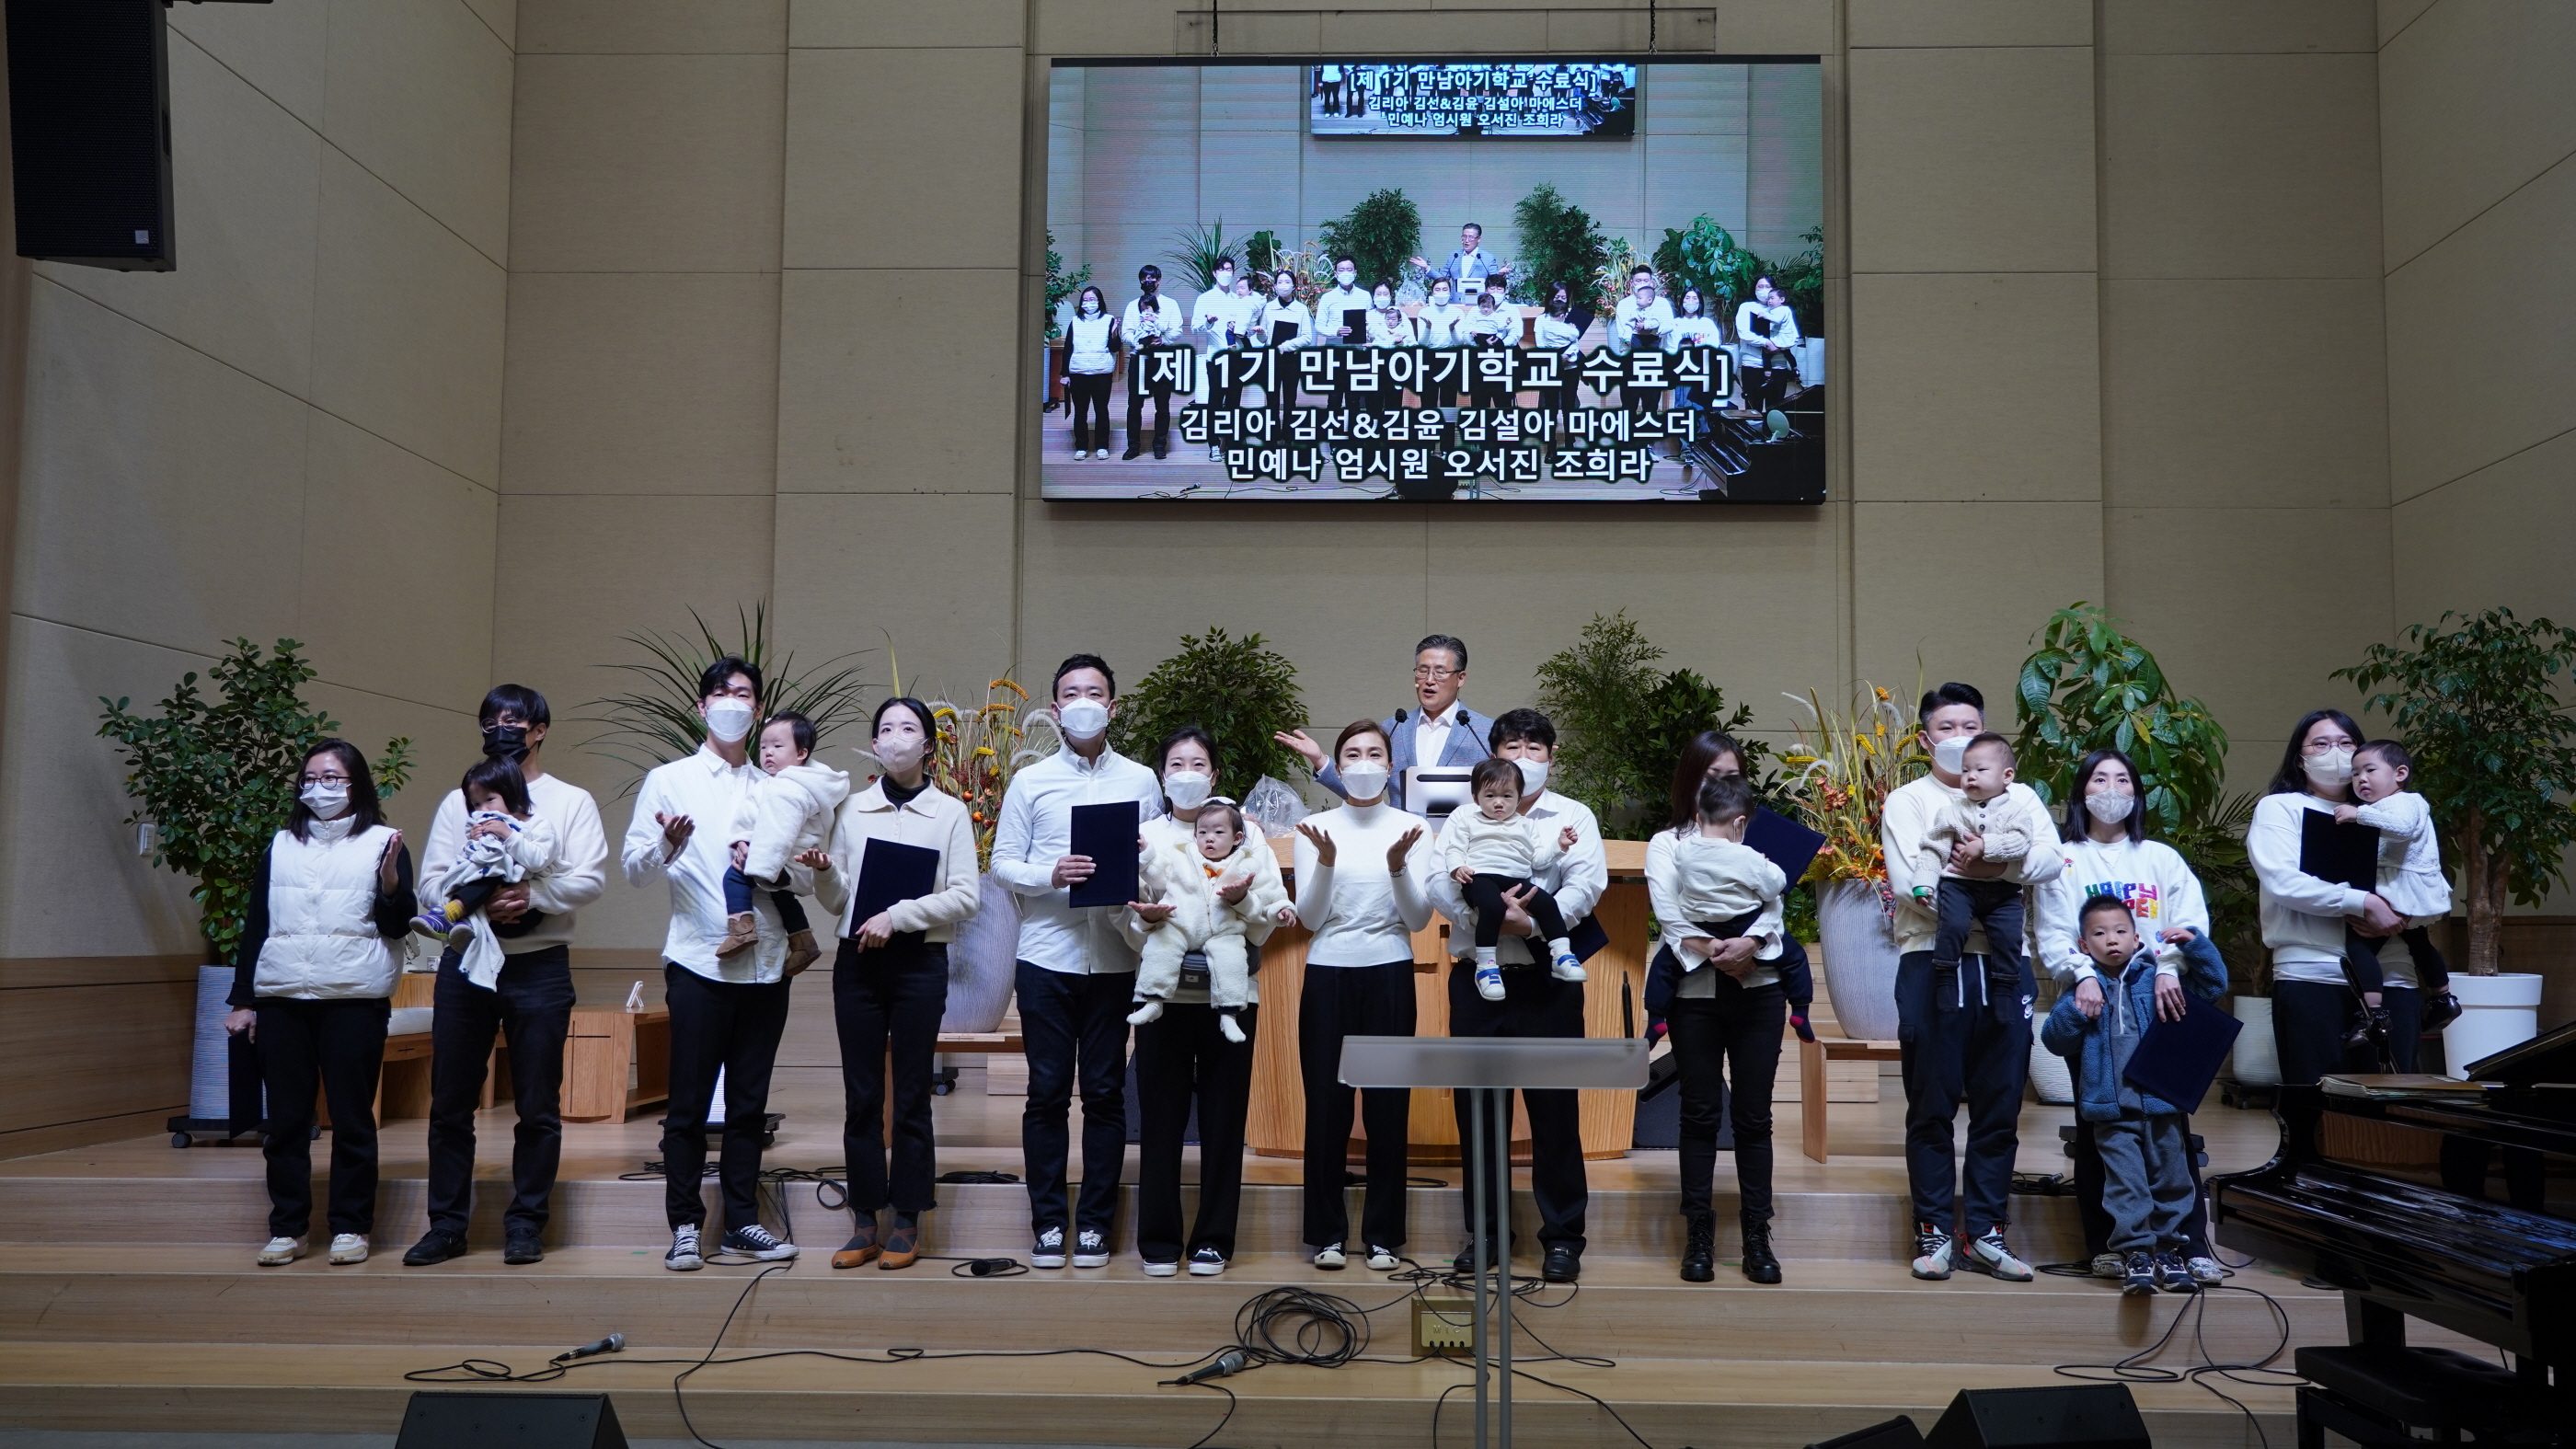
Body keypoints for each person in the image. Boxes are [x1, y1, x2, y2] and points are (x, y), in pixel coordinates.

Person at [407, 684, 608, 1269]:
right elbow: (431, 883)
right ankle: (446, 1226)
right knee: (450, 1103)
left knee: (538, 1105)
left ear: (539, 730)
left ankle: (526, 1224)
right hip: (468, 962)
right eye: (491, 719)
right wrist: (473, 903)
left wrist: (530, 896)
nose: (501, 728)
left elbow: (590, 879)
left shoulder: (570, 801)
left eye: (514, 720)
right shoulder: (460, 800)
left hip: (539, 966)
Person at [622, 657, 812, 1271]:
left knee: (749, 1105)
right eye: (722, 693)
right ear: (702, 707)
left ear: (758, 710)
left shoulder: (777, 785)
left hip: (766, 966)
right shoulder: (669, 780)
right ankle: (684, 1224)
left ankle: (742, 1223)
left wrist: (775, 867)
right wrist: (667, 844)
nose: (733, 701)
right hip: (698, 961)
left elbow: (807, 878)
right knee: (687, 1105)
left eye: (745, 694)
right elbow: (632, 870)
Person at [1880, 683, 2064, 1283]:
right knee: (1931, 1102)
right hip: (1932, 957)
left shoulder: (2021, 795)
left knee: (2000, 1102)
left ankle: (1986, 1231)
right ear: (1926, 738)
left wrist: (1988, 865)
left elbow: (2049, 860)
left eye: (1971, 727)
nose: (1960, 738)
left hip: (2006, 963)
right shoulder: (1909, 801)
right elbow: (1912, 884)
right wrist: (1991, 891)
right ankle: (1934, 1229)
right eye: (1947, 727)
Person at [990, 654, 1167, 1270]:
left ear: (1112, 707)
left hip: (1115, 958)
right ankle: (1047, 1222)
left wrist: (1144, 867)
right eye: (1071, 693)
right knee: (1045, 1093)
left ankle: (1093, 1224)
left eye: (1095, 692)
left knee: (1105, 1094)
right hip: (1046, 955)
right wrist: (1052, 873)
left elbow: (1159, 860)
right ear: (1055, 708)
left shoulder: (1141, 780)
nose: (1083, 702)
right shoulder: (1031, 781)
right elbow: (1002, 864)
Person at [2030, 747, 2224, 1286]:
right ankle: (2109, 1246)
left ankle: (2188, 1244)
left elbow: (2189, 923)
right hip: (2091, 1008)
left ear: (2137, 794)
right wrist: (2083, 976)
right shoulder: (2064, 858)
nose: (2111, 789)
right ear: (2081, 792)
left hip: (2160, 1004)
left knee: (2171, 1133)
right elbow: (2053, 932)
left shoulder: (2160, 858)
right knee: (2100, 1131)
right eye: (2099, 779)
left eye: (2122, 780)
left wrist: (2168, 967)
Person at [1428, 708, 1606, 1284]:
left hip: (1548, 980)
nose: (1523, 757)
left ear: (1551, 757)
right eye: (1512, 746)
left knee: (1555, 1111)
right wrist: (1482, 914)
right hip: (1477, 982)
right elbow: (1437, 878)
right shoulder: (1464, 815)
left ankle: (1563, 1237)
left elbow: (1586, 883)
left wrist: (1528, 924)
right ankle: (1485, 1234)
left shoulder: (1572, 816)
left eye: (1535, 748)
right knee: (1480, 1112)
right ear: (1494, 756)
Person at [225, 740, 414, 1268]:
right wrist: (244, 999)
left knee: (353, 1120)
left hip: (354, 998)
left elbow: (398, 924)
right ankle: (288, 1228)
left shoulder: (384, 842)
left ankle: (351, 1226)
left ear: (357, 785)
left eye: (331, 778)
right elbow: (257, 925)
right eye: (310, 778)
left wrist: (391, 883)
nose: (319, 788)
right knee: (285, 1122)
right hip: (283, 997)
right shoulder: (282, 843)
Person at [810, 696, 981, 1271]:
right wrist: (825, 873)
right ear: (874, 745)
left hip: (918, 963)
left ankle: (907, 1218)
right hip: (857, 960)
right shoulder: (851, 810)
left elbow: (966, 896)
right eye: (886, 729)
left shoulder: (950, 813)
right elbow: (836, 901)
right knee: (861, 1096)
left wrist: (898, 915)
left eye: (909, 728)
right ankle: (864, 1219)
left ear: (928, 745)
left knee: (911, 1094)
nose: (896, 737)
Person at [1124, 728, 1288, 1277]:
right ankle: (1158, 1239)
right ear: (1162, 775)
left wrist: (1240, 903)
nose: (1187, 773)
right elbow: (1126, 917)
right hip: (1164, 996)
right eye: (1177, 763)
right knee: (1160, 1121)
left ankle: (1215, 1238)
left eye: (1199, 764)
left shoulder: (1247, 835)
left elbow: (1265, 924)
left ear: (1214, 775)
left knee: (1223, 1121)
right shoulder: (1146, 836)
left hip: (1231, 1000)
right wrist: (1146, 921)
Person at [1646, 742, 1802, 1287]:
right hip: (1694, 994)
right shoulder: (1668, 843)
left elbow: (1775, 905)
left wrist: (1750, 944)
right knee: (1699, 1114)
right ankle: (1699, 1233)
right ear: (1692, 780)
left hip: (1759, 991)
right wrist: (1714, 950)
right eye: (1713, 774)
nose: (1721, 783)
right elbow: (1668, 912)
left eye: (1732, 775)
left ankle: (1757, 1234)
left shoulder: (1750, 834)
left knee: (1754, 1117)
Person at [1291, 719, 1432, 1271]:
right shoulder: (1315, 827)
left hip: (1389, 972)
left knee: (1387, 1109)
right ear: (1338, 764)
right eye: (1353, 754)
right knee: (1327, 1109)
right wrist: (1326, 862)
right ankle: (1327, 1235)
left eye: (1375, 753)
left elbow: (1417, 920)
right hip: (1328, 971)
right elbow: (1309, 918)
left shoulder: (1413, 828)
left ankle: (1383, 1237)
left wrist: (1397, 869)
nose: (1364, 763)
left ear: (1391, 765)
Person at [2041, 897, 2227, 1295]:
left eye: (2120, 931)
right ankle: (2136, 1254)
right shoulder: (2082, 990)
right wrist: (2078, 1008)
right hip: (2113, 1113)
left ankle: (2170, 1253)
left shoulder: (2155, 980)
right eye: (2099, 933)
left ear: (2137, 938)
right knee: (2126, 1187)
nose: (2111, 940)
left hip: (2162, 1105)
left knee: (2173, 1182)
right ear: (2083, 944)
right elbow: (2055, 1040)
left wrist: (2195, 945)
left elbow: (2213, 986)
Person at [2248, 709, 2407, 1087]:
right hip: (2312, 971)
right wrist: (2363, 902)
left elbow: (2423, 874)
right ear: (2299, 757)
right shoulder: (2281, 807)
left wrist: (2405, 915)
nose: (2334, 752)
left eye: (2346, 743)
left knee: (2395, 1104)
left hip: (2394, 975)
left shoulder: (2391, 811)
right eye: (2320, 744)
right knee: (2316, 1100)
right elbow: (2283, 881)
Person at [1127, 802, 1288, 1041]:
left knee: (1232, 960)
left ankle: (1229, 1013)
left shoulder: (1247, 865)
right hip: (1178, 925)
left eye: (1219, 832)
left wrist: (1282, 909)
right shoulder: (1180, 856)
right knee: (1160, 948)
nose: (1209, 838)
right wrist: (1147, 854)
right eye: (1202, 832)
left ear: (1237, 838)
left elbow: (1270, 892)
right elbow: (1158, 874)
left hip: (1223, 931)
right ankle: (1153, 1000)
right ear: (1195, 836)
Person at [2338, 739, 2460, 1052]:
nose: (2361, 779)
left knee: (2360, 944)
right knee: (2418, 941)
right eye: (2355, 773)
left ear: (2400, 773)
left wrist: (2357, 815)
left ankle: (2373, 1015)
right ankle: (2443, 999)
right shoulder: (2383, 806)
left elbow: (2402, 828)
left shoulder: (2404, 802)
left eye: (2370, 770)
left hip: (2404, 886)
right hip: (2403, 885)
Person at [1279, 634, 1492, 812]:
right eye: (1423, 670)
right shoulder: (1394, 728)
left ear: (1461, 678)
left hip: (1463, 844)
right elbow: (1362, 792)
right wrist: (1319, 760)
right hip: (1402, 843)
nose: (1429, 680)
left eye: (1440, 672)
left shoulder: (1485, 732)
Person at [1909, 733, 2053, 993]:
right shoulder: (1951, 812)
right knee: (1953, 925)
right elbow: (1934, 849)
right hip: (1959, 885)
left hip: (2002, 890)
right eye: (1965, 771)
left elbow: (2022, 843)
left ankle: (2005, 989)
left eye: (1980, 770)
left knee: (2009, 936)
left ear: (2007, 776)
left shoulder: (2016, 810)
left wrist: (1985, 845)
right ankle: (1944, 975)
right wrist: (1924, 882)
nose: (1971, 776)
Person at [416, 758, 567, 989]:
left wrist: (508, 834)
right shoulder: (484, 828)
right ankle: (462, 925)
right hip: (490, 911)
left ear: (512, 793)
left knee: (494, 872)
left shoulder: (538, 826)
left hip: (525, 916)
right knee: (477, 873)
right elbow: (468, 864)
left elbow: (537, 861)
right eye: (476, 804)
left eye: (489, 800)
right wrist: (474, 843)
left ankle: (451, 915)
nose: (483, 810)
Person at [1443, 755, 1585, 996]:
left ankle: (1562, 955)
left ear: (1519, 798)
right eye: (1490, 796)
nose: (1499, 803)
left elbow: (1537, 859)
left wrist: (1559, 845)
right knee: (1492, 908)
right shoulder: (1467, 822)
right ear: (1476, 798)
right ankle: (1486, 967)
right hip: (1480, 878)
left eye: (1507, 796)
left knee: (1548, 903)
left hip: (1517, 879)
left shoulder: (1526, 825)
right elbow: (1454, 849)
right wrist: (1458, 868)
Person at [719, 709, 847, 971]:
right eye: (763, 746)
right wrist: (744, 840)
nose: (768, 752)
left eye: (778, 746)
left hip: (778, 859)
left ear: (802, 753)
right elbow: (755, 819)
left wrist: (761, 861)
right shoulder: (807, 784)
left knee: (734, 878)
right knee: (782, 897)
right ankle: (804, 942)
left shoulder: (787, 788)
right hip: (795, 865)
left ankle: (742, 930)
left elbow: (777, 829)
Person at [1121, 264, 1186, 460]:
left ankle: (1159, 445)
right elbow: (1125, 332)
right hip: (1139, 358)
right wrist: (1139, 341)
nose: (1147, 281)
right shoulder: (1133, 305)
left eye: (1151, 278)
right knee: (1134, 405)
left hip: (1162, 358)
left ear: (1159, 280)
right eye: (1144, 278)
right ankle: (1133, 446)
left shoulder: (1170, 304)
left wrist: (1162, 339)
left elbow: (1177, 330)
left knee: (1162, 406)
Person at [1191, 258, 1250, 454]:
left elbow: (1246, 329)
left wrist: (1242, 329)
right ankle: (1214, 444)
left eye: (1229, 269)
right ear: (1215, 273)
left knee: (1234, 402)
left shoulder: (1238, 299)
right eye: (1222, 269)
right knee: (1215, 402)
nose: (1226, 273)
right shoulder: (1205, 298)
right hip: (1216, 358)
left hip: (1236, 358)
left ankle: (1232, 443)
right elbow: (1195, 327)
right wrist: (1208, 322)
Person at [1732, 276, 1801, 418]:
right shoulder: (1747, 307)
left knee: (1776, 410)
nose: (1764, 290)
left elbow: (1792, 332)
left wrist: (1781, 347)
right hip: (1752, 364)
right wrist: (1766, 343)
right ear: (1754, 289)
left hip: (1778, 365)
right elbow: (1744, 333)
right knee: (1753, 410)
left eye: (1768, 287)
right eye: (1760, 286)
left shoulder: (1784, 310)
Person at [1253, 269, 1313, 424]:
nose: (1283, 285)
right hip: (1271, 359)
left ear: (1294, 286)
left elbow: (1307, 337)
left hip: (1292, 359)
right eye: (1280, 282)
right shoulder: (1268, 307)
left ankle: (1288, 432)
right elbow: (1263, 339)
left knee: (1290, 398)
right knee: (1271, 398)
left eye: (1287, 282)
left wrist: (1285, 346)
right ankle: (1273, 431)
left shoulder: (1301, 309)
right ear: (1275, 286)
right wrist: (1260, 332)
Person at [1063, 285, 1116, 460]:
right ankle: (1081, 447)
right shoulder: (1075, 321)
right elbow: (1068, 348)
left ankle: (1102, 447)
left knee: (1101, 411)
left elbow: (1115, 347)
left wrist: (1115, 332)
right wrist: (1065, 374)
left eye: (1092, 299)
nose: (1089, 303)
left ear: (1099, 301)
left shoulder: (1109, 320)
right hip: (1078, 372)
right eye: (1085, 300)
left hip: (1102, 372)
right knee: (1080, 412)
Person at [1532, 282, 1584, 428]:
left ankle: (1570, 437)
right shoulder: (1541, 319)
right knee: (1550, 404)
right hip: (1550, 367)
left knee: (1570, 403)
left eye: (1563, 297)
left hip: (1571, 366)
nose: (1560, 300)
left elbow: (1575, 342)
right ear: (1550, 298)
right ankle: (1550, 436)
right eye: (1557, 297)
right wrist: (1555, 358)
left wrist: (1567, 356)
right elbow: (1540, 344)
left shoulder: (1571, 317)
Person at [1416, 277, 1466, 419]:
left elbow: (1458, 343)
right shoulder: (1424, 312)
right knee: (1428, 400)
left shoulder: (1458, 312)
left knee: (1448, 400)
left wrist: (1452, 329)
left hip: (1450, 358)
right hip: (1428, 358)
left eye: (1445, 289)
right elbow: (1422, 343)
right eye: (1437, 289)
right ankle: (1428, 432)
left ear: (1450, 292)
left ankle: (1448, 433)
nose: (1441, 293)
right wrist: (1428, 327)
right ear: (1432, 293)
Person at [1364, 280, 1418, 409]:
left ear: (1390, 296)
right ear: (1373, 296)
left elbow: (1412, 341)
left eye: (1385, 294)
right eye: (1378, 294)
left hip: (1395, 364)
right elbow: (1363, 342)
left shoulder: (1401, 315)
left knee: (1393, 402)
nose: (1382, 297)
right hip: (1373, 364)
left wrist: (1401, 342)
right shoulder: (1367, 316)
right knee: (1373, 401)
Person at [1464, 287, 1517, 409]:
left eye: (1488, 307)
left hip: (1494, 342)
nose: (1486, 309)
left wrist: (1507, 322)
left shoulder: (1497, 315)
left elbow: (1501, 327)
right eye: (1483, 307)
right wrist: (1473, 332)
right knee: (1480, 395)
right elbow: (1468, 328)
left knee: (1501, 396)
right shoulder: (1475, 314)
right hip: (1479, 340)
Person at [1413, 222, 1500, 293]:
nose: (1466, 241)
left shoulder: (1488, 258)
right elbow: (1443, 279)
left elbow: (1495, 282)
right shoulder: (1454, 256)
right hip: (1456, 302)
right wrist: (1427, 267)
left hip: (1479, 302)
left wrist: (1501, 274)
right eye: (1464, 237)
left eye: (1470, 237)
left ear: (1479, 239)